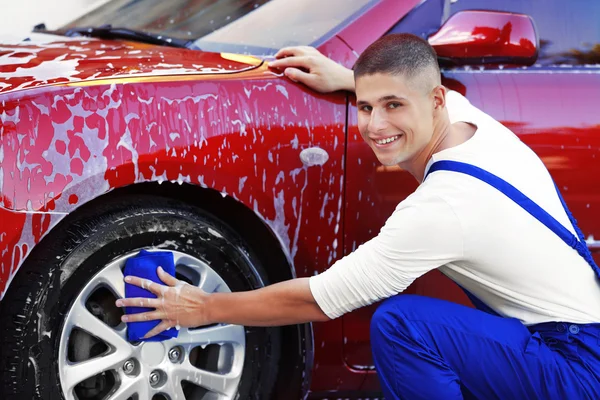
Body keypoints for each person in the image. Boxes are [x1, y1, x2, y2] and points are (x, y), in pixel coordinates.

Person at [116, 34, 600, 399]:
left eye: (392, 106)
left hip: (578, 367)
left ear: (432, 102)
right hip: (573, 335)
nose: (374, 125)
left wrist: (203, 308)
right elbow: (411, 88)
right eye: (366, 107)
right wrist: (344, 77)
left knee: (401, 325)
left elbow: (322, 299)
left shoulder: (445, 204)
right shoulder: (468, 120)